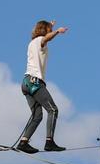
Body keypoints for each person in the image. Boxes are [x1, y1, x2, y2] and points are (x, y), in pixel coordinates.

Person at [15, 20, 68, 154]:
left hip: (26, 83)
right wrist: (57, 31)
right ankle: (49, 142)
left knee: (37, 116)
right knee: (53, 110)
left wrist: (51, 26)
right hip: (34, 82)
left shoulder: (32, 43)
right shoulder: (40, 41)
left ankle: (23, 142)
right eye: (48, 29)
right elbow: (46, 38)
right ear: (45, 31)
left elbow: (46, 36)